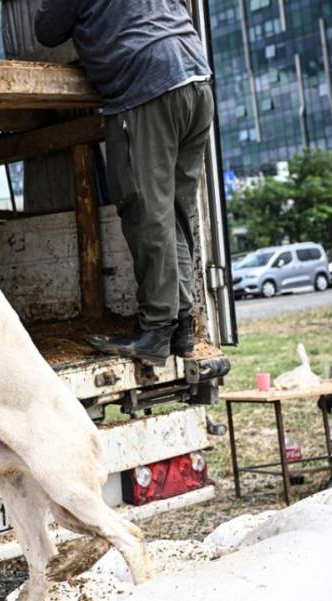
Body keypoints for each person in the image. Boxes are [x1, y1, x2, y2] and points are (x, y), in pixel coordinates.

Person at [34, 0, 215, 366]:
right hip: (196, 78)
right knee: (176, 212)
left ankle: (156, 331)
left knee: (147, 212)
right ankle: (181, 324)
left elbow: (47, 31)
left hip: (148, 86)